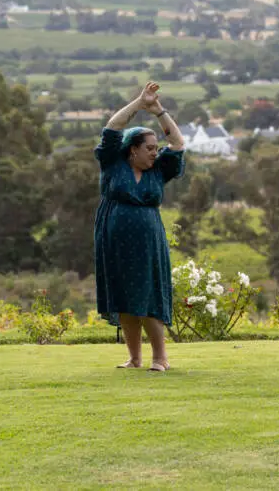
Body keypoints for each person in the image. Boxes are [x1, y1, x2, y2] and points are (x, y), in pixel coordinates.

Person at [94, 81, 186, 372]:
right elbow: (112, 128)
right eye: (149, 148)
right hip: (113, 239)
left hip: (148, 242)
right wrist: (139, 103)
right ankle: (134, 359)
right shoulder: (113, 163)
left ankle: (160, 358)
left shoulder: (158, 170)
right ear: (132, 150)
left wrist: (158, 111)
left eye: (156, 148)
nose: (155, 153)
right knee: (123, 296)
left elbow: (178, 144)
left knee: (148, 295)